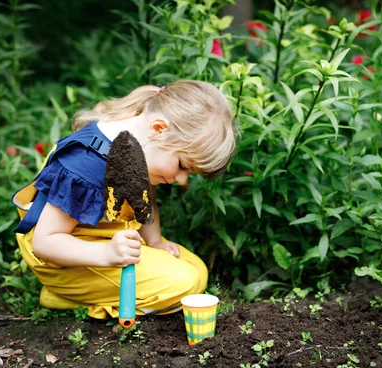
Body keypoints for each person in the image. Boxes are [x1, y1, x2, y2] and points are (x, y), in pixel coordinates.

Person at [12, 81, 236, 319]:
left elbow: (144, 200)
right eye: (183, 166)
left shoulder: (144, 147)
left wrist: (156, 242)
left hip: (105, 239)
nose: (182, 180)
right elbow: (44, 243)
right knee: (185, 283)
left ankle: (88, 291)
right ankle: (65, 296)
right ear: (159, 129)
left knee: (197, 271)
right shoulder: (86, 165)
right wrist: (107, 254)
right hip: (66, 257)